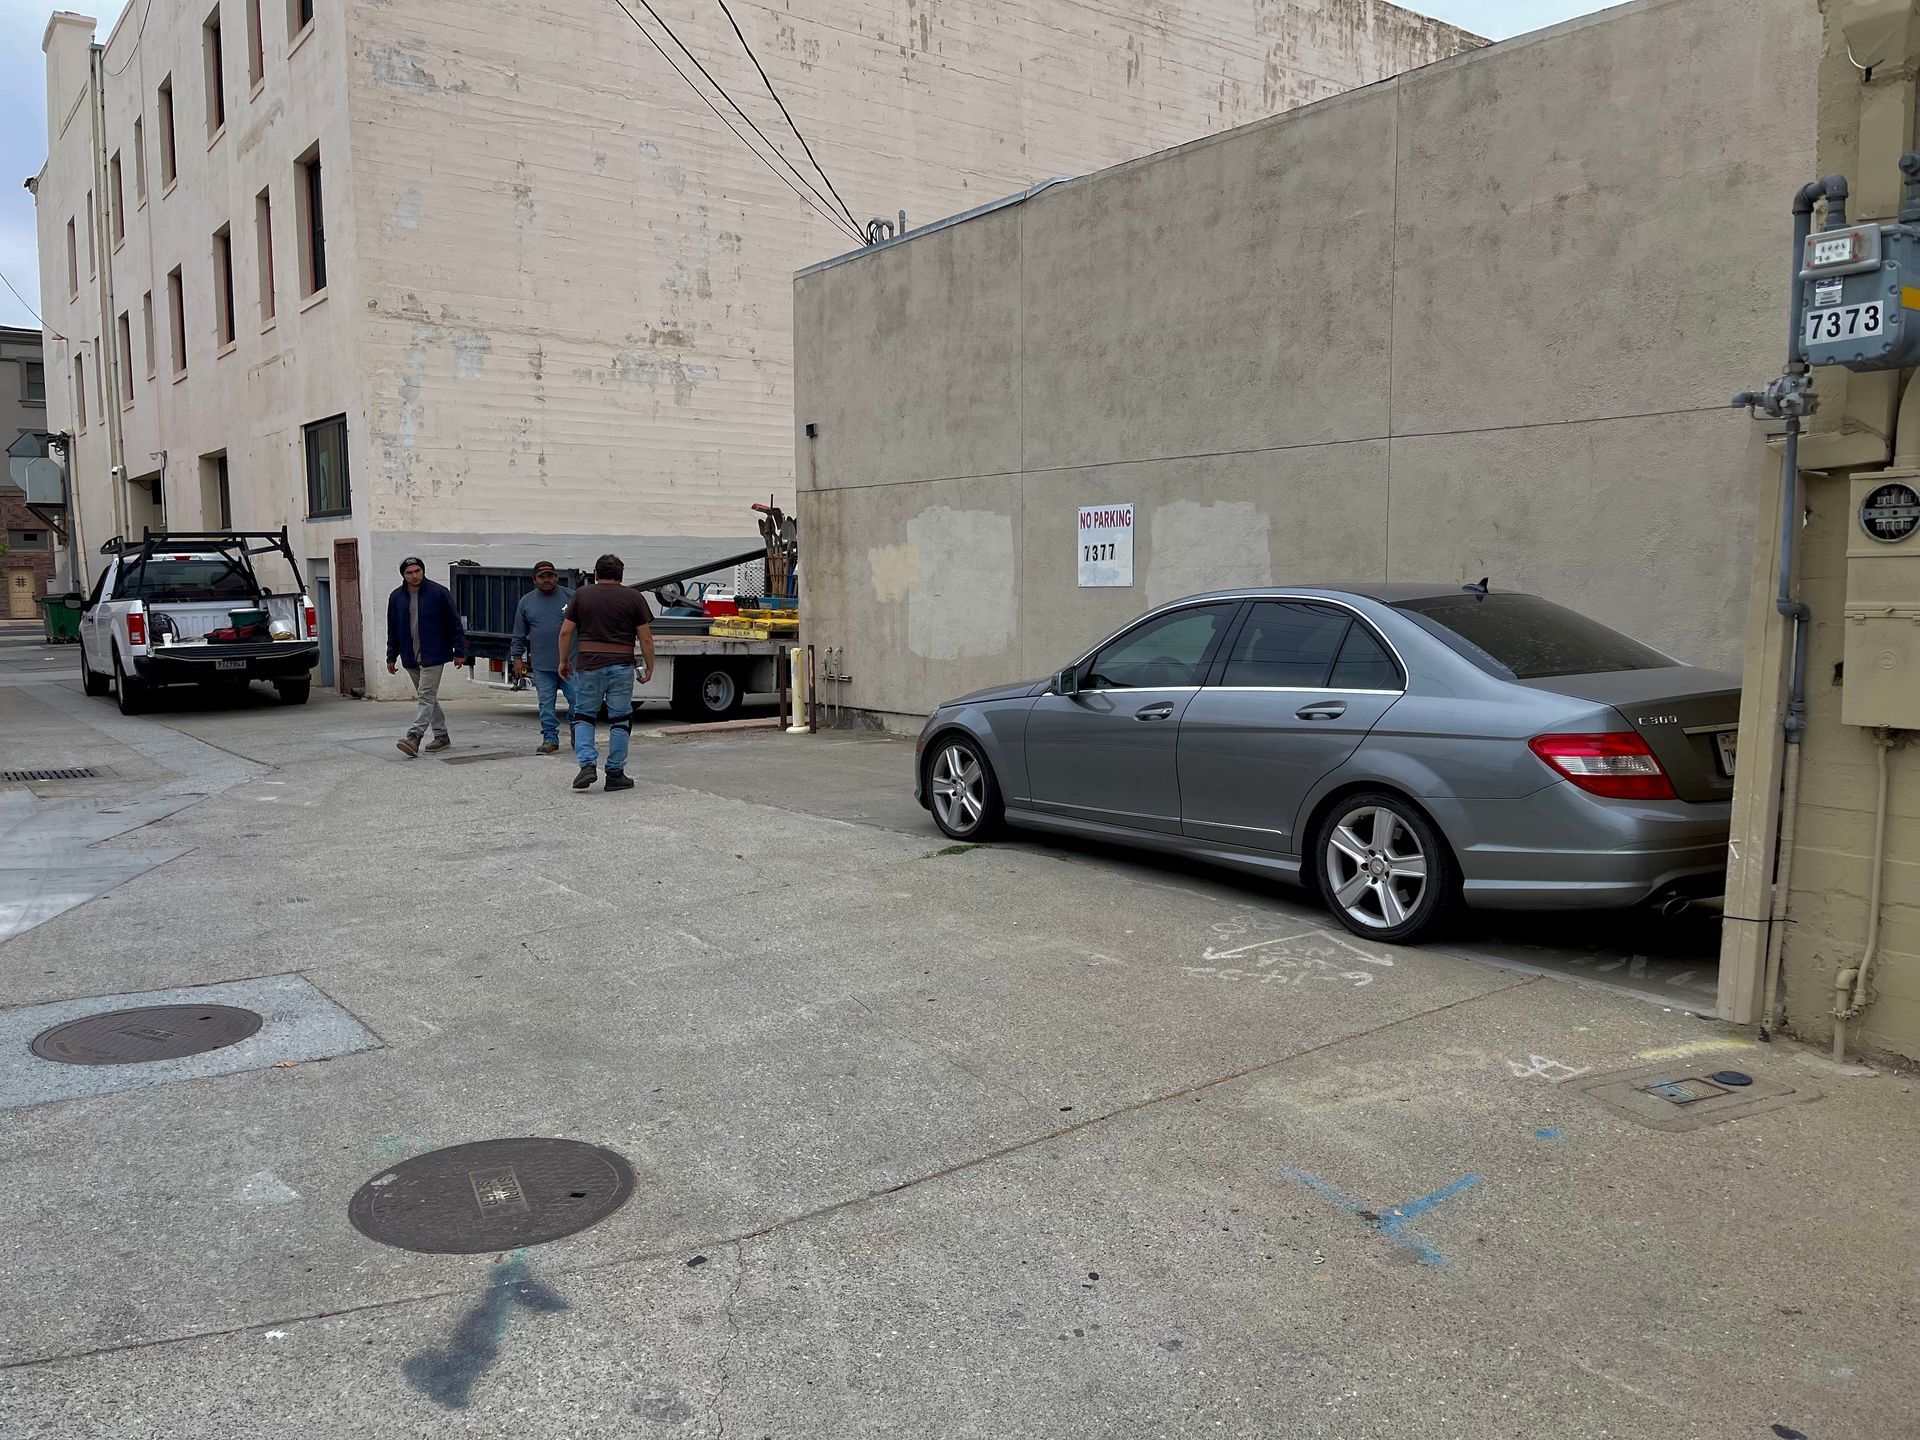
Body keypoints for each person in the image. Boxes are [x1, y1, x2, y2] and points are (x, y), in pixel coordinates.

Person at [556, 554, 655, 792]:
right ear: (621, 575)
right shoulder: (634, 597)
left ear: (596, 574)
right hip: (621, 665)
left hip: (588, 664)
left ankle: (587, 764)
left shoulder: (582, 595)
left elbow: (566, 632)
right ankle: (615, 773)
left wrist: (563, 660)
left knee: (584, 715)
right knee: (620, 718)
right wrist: (649, 666)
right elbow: (646, 638)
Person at [385, 556, 468, 757]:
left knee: (425, 696)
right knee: (428, 698)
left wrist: (460, 651)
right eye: (409, 573)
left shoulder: (439, 593)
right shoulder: (396, 597)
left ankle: (414, 736)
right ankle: (442, 736)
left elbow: (454, 624)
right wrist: (391, 656)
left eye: (417, 571)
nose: (414, 576)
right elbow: (393, 629)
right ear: (403, 575)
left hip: (434, 654)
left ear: (423, 571)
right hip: (410, 656)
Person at [510, 561, 576, 754]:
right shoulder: (526, 602)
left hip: (571, 664)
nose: (547, 579)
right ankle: (550, 739)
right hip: (542, 666)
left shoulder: (572, 598)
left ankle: (578, 734)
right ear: (535, 580)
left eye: (550, 575)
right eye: (542, 576)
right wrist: (517, 658)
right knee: (546, 705)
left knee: (578, 701)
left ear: (556, 577)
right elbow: (519, 634)